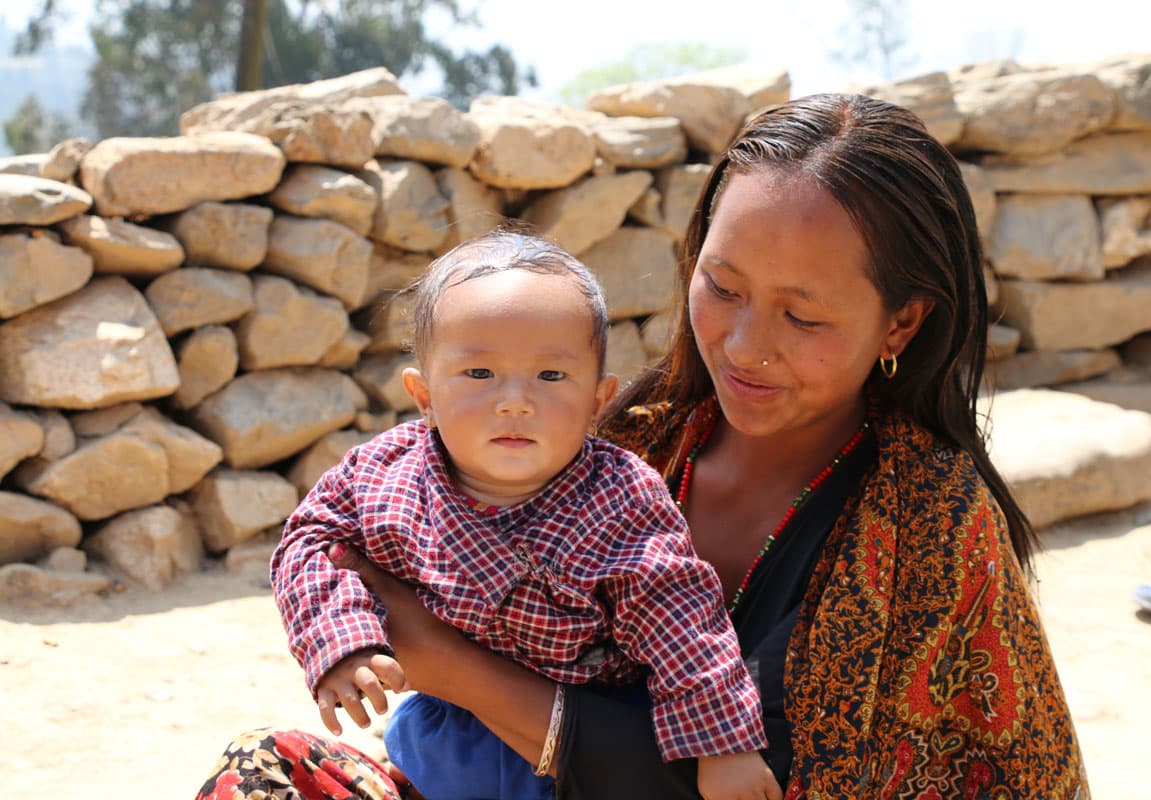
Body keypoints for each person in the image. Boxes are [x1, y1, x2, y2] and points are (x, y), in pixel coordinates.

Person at [196, 93, 1090, 800]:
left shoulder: (926, 526)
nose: (743, 345)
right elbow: (335, 540)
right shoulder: (627, 435)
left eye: (803, 314)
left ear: (902, 319)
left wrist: (443, 663)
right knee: (261, 772)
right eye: (723, 286)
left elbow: (759, 784)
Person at [269, 230, 779, 800]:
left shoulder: (621, 497)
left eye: (551, 376)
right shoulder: (382, 473)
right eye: (480, 374)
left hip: (581, 751)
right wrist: (343, 643)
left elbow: (682, 624)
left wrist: (723, 748)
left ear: (597, 400)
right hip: (445, 738)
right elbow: (309, 545)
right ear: (425, 395)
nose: (516, 400)